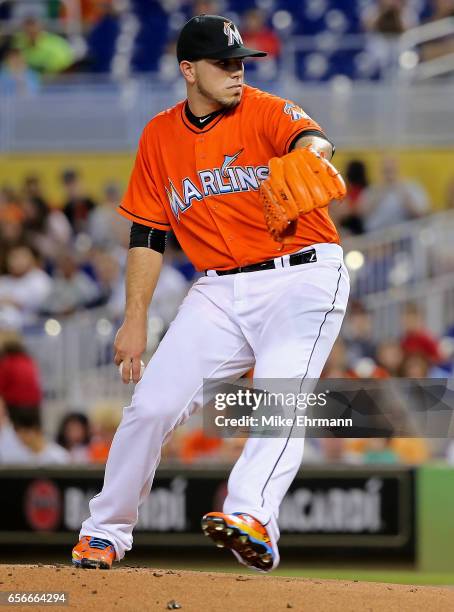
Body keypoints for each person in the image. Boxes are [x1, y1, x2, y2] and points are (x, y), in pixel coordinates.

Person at [72, 14, 349, 572]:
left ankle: (252, 519)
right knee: (150, 407)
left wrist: (311, 155)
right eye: (224, 63)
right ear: (188, 70)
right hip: (219, 289)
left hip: (302, 277)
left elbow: (312, 140)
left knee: (279, 399)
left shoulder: (265, 109)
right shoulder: (158, 136)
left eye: (241, 61)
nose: (237, 72)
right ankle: (104, 533)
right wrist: (135, 318)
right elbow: (149, 232)